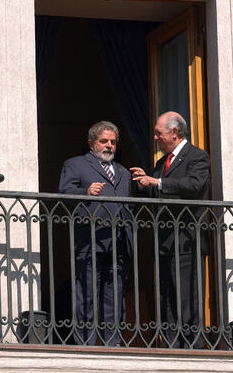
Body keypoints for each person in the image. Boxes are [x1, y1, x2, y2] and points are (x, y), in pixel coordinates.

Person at [130, 111, 210, 349]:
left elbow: (194, 185)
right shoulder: (160, 162)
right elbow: (157, 192)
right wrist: (145, 180)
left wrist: (159, 182)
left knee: (187, 296)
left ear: (175, 133)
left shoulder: (197, 156)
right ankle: (172, 345)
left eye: (159, 133)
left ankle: (192, 348)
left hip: (187, 240)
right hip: (164, 241)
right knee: (167, 295)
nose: (155, 137)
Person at [58, 121, 132, 346]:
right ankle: (86, 343)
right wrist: (85, 192)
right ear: (91, 144)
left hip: (118, 242)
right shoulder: (75, 164)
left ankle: (113, 343)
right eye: (103, 141)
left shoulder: (123, 172)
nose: (109, 146)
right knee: (87, 294)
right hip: (89, 241)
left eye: (112, 142)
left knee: (115, 296)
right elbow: (64, 195)